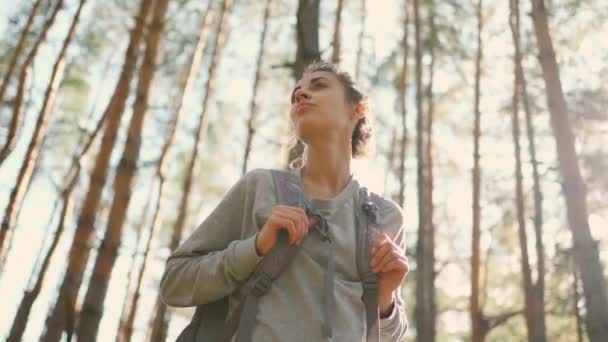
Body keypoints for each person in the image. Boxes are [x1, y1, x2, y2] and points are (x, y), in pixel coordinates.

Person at [160, 61, 410, 341]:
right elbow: (174, 282)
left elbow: (389, 335)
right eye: (296, 93)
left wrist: (386, 297)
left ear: (358, 109)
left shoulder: (385, 217)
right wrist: (255, 248)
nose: (300, 95)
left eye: (319, 85)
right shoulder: (261, 187)